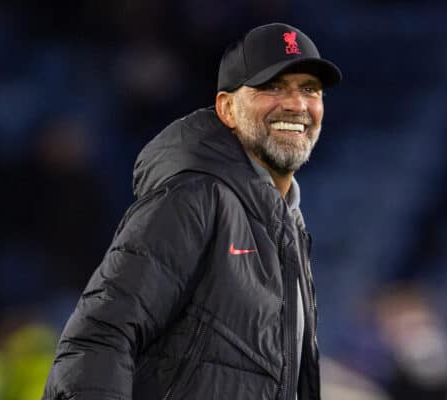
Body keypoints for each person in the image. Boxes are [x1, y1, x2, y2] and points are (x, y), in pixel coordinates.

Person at [41, 22, 341, 400]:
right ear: (227, 108)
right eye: (272, 87)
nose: (296, 104)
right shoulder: (194, 198)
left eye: (309, 89)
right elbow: (98, 338)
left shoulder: (288, 226)